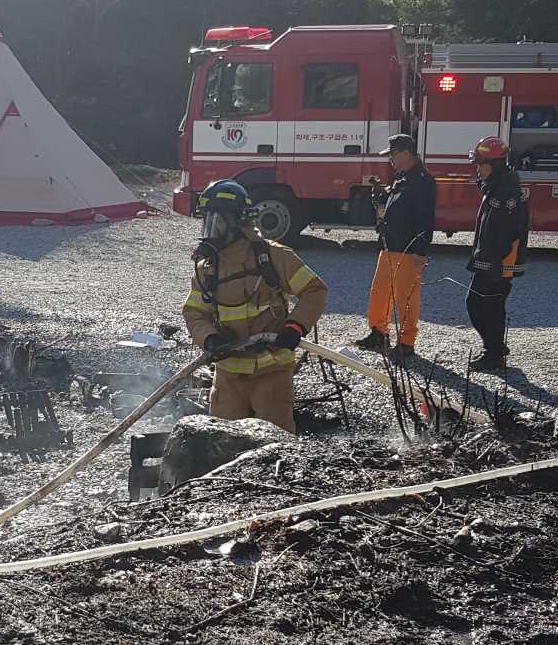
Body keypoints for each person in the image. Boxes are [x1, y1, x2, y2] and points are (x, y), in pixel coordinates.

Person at [182, 179, 328, 434]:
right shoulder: (208, 268)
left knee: (276, 445)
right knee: (221, 443)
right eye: (207, 221)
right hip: (228, 376)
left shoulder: (274, 257)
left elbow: (314, 291)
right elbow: (195, 312)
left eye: (217, 221)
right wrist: (209, 339)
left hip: (271, 372)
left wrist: (294, 328)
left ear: (237, 222)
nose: (210, 230)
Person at [354, 133, 437, 361]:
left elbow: (425, 220)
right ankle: (378, 332)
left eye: (393, 154)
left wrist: (421, 251)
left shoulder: (422, 181)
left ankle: (406, 342)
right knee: (379, 292)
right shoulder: (402, 178)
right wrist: (383, 198)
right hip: (390, 245)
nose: (390, 159)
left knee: (406, 298)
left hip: (408, 248)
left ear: (406, 153)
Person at [464, 136, 528, 369]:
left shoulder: (506, 192)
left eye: (482, 164)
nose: (478, 169)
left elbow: (509, 231)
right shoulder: (496, 186)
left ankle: (494, 353)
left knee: (488, 305)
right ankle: (494, 348)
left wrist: (496, 264)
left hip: (499, 262)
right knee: (478, 303)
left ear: (496, 165)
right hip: (490, 259)